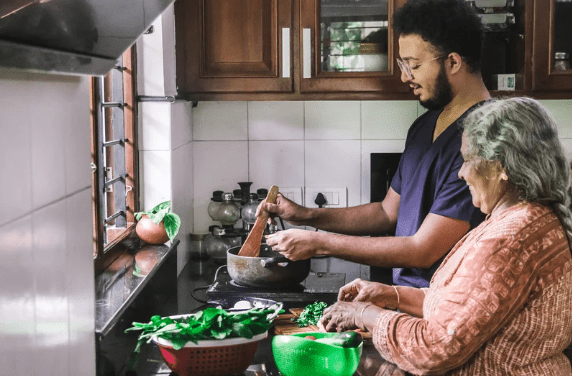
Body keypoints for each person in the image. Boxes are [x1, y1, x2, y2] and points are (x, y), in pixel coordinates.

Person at [318, 97, 572, 375]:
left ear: (500, 168)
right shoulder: (528, 219)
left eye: (468, 160)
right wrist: (393, 295)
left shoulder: (510, 239)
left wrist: (365, 315)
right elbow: (466, 308)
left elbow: (434, 347)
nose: (462, 173)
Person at [259, 0, 488, 288]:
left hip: (446, 309)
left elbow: (424, 249)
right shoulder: (424, 126)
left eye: (413, 65)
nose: (405, 76)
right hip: (406, 302)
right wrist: (305, 215)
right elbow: (386, 212)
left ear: (453, 62)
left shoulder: (487, 139)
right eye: (403, 64)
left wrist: (319, 243)